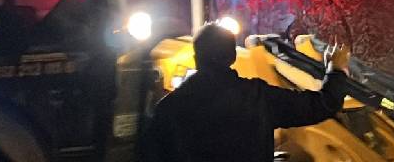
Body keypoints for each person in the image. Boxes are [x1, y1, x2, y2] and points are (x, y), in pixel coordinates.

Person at [148, 23, 350, 162]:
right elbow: (322, 105)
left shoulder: (168, 109)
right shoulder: (257, 97)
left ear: (196, 56)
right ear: (232, 56)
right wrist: (336, 70)